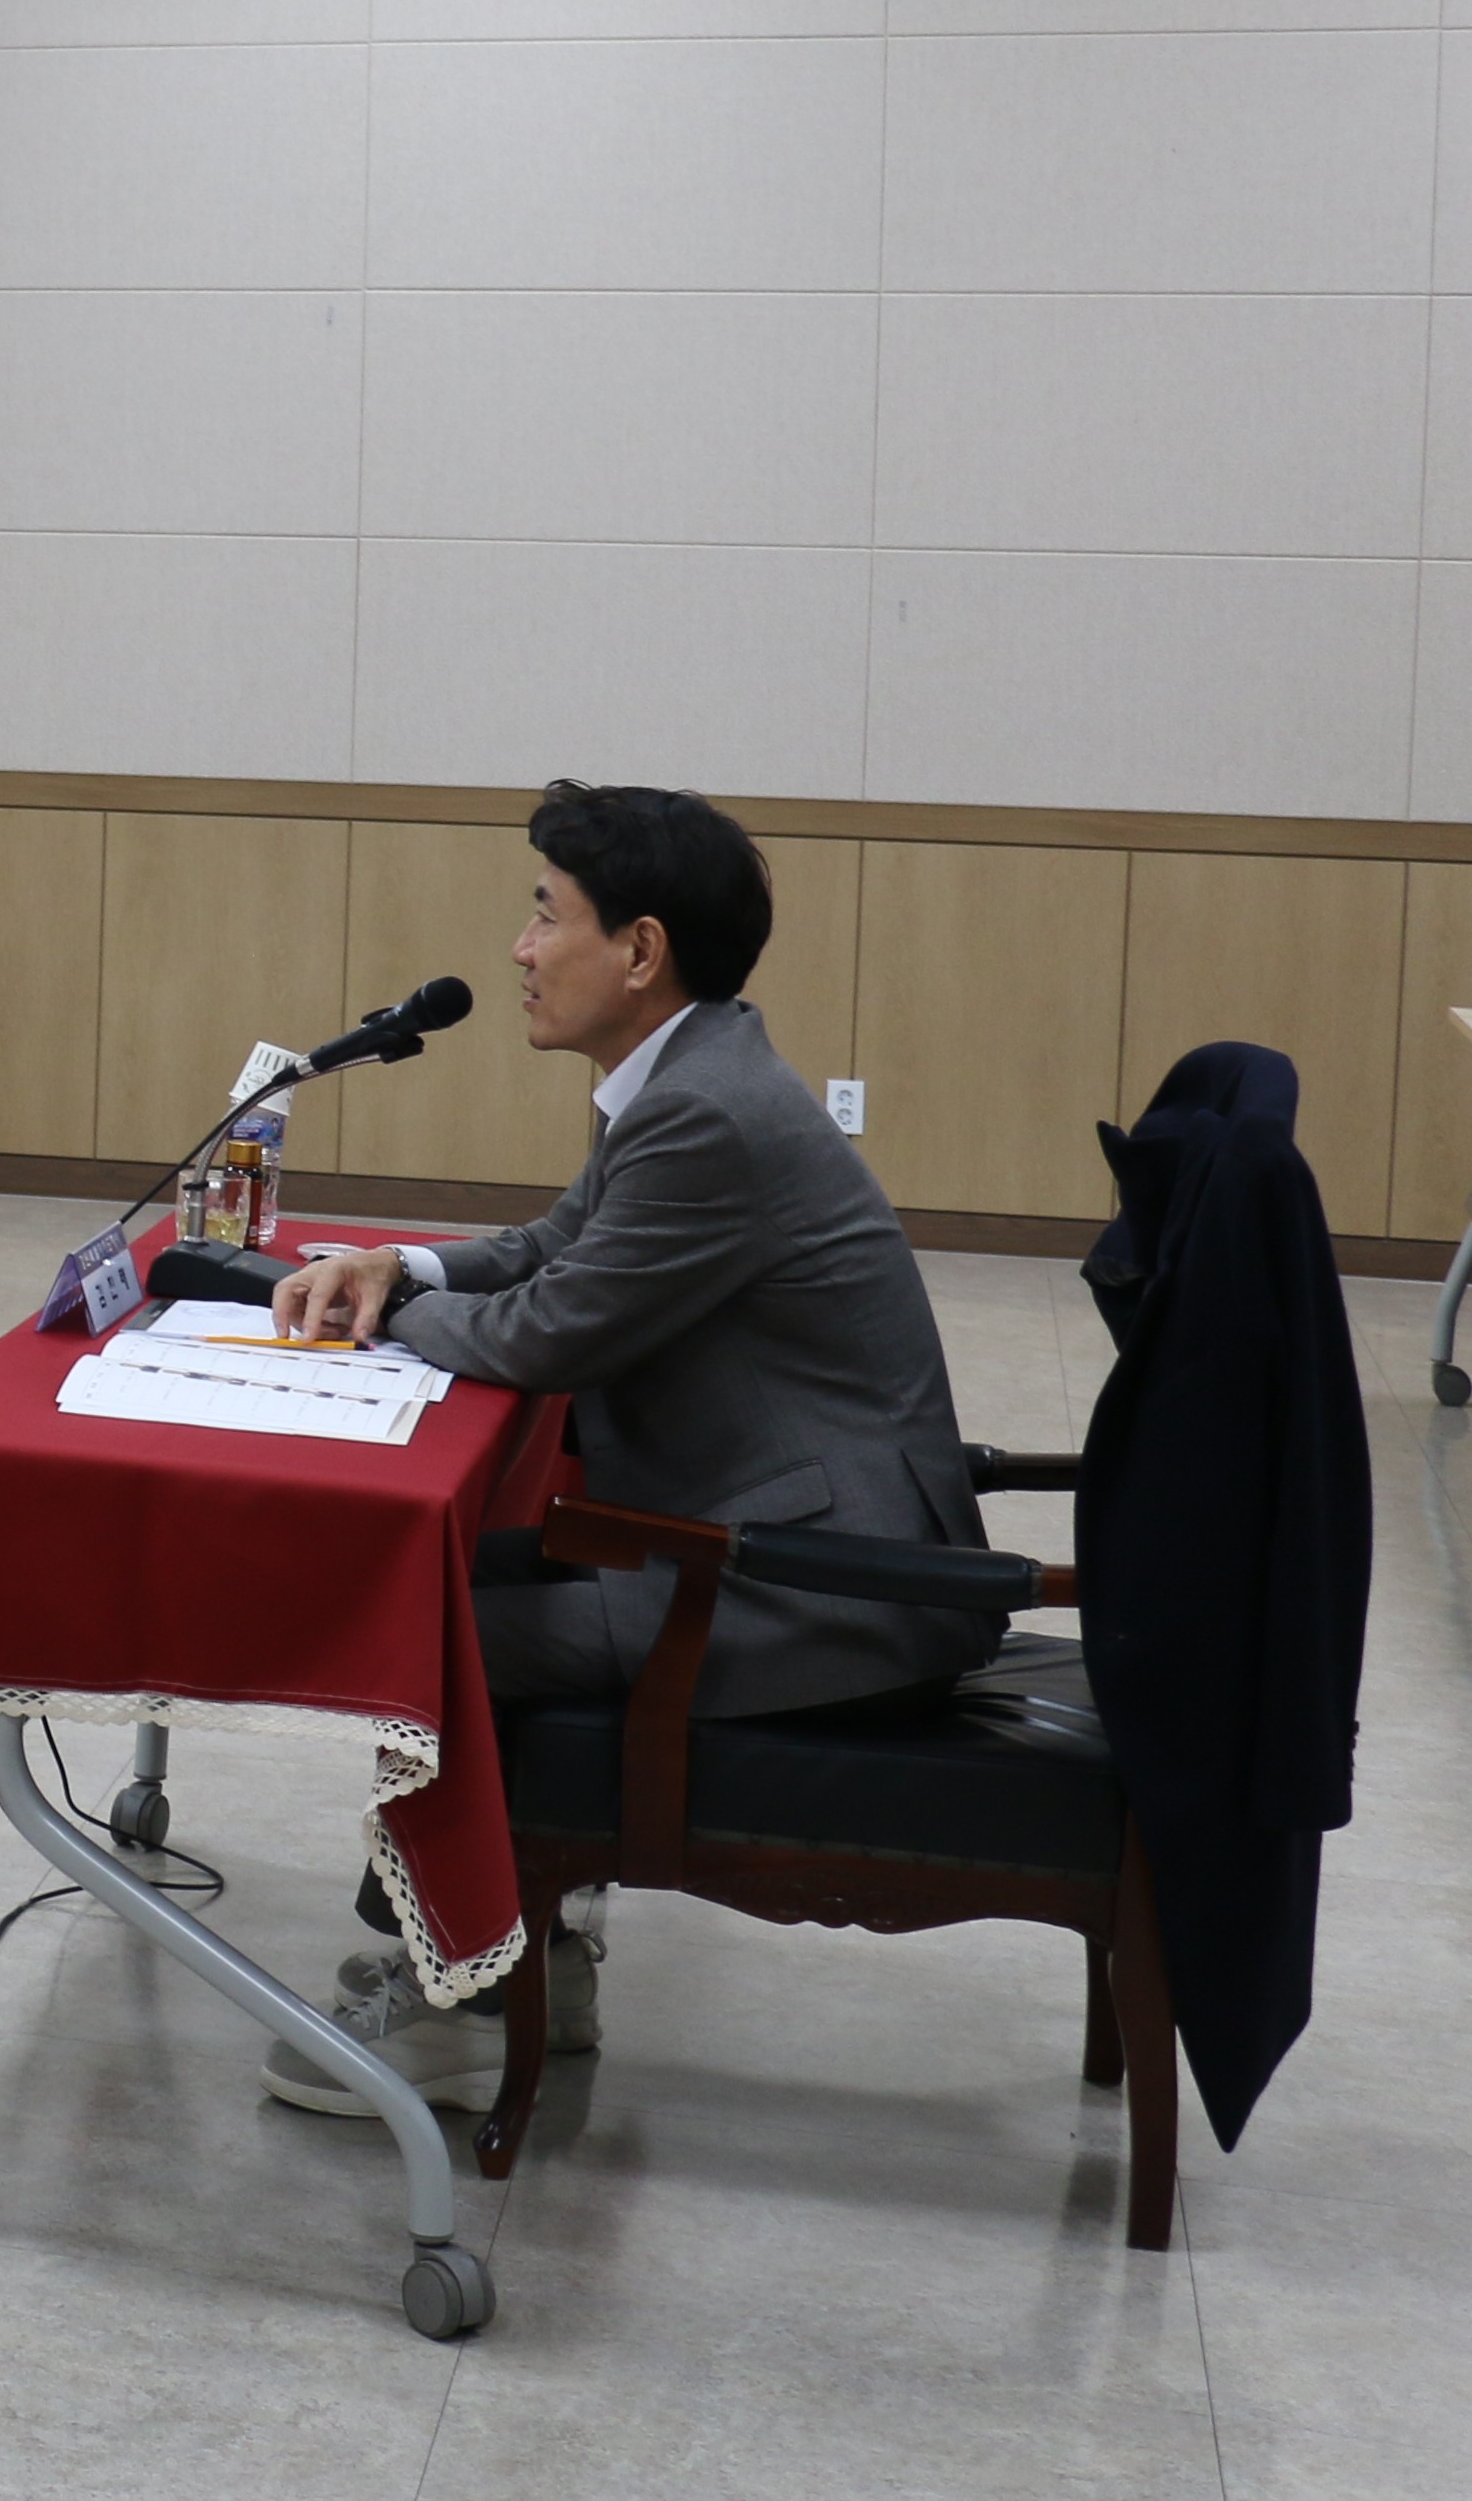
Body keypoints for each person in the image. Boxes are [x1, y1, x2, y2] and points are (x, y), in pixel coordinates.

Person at [256, 781, 1004, 2116]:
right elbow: (557, 1247)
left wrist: (389, 1316)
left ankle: (452, 2001)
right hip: (775, 1530)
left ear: (640, 949)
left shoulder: (706, 1110)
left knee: (435, 1627)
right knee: (449, 1572)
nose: (520, 948)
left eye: (547, 916)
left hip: (826, 1583)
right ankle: (521, 1961)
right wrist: (396, 1263)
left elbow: (549, 1330)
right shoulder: (686, 1073)